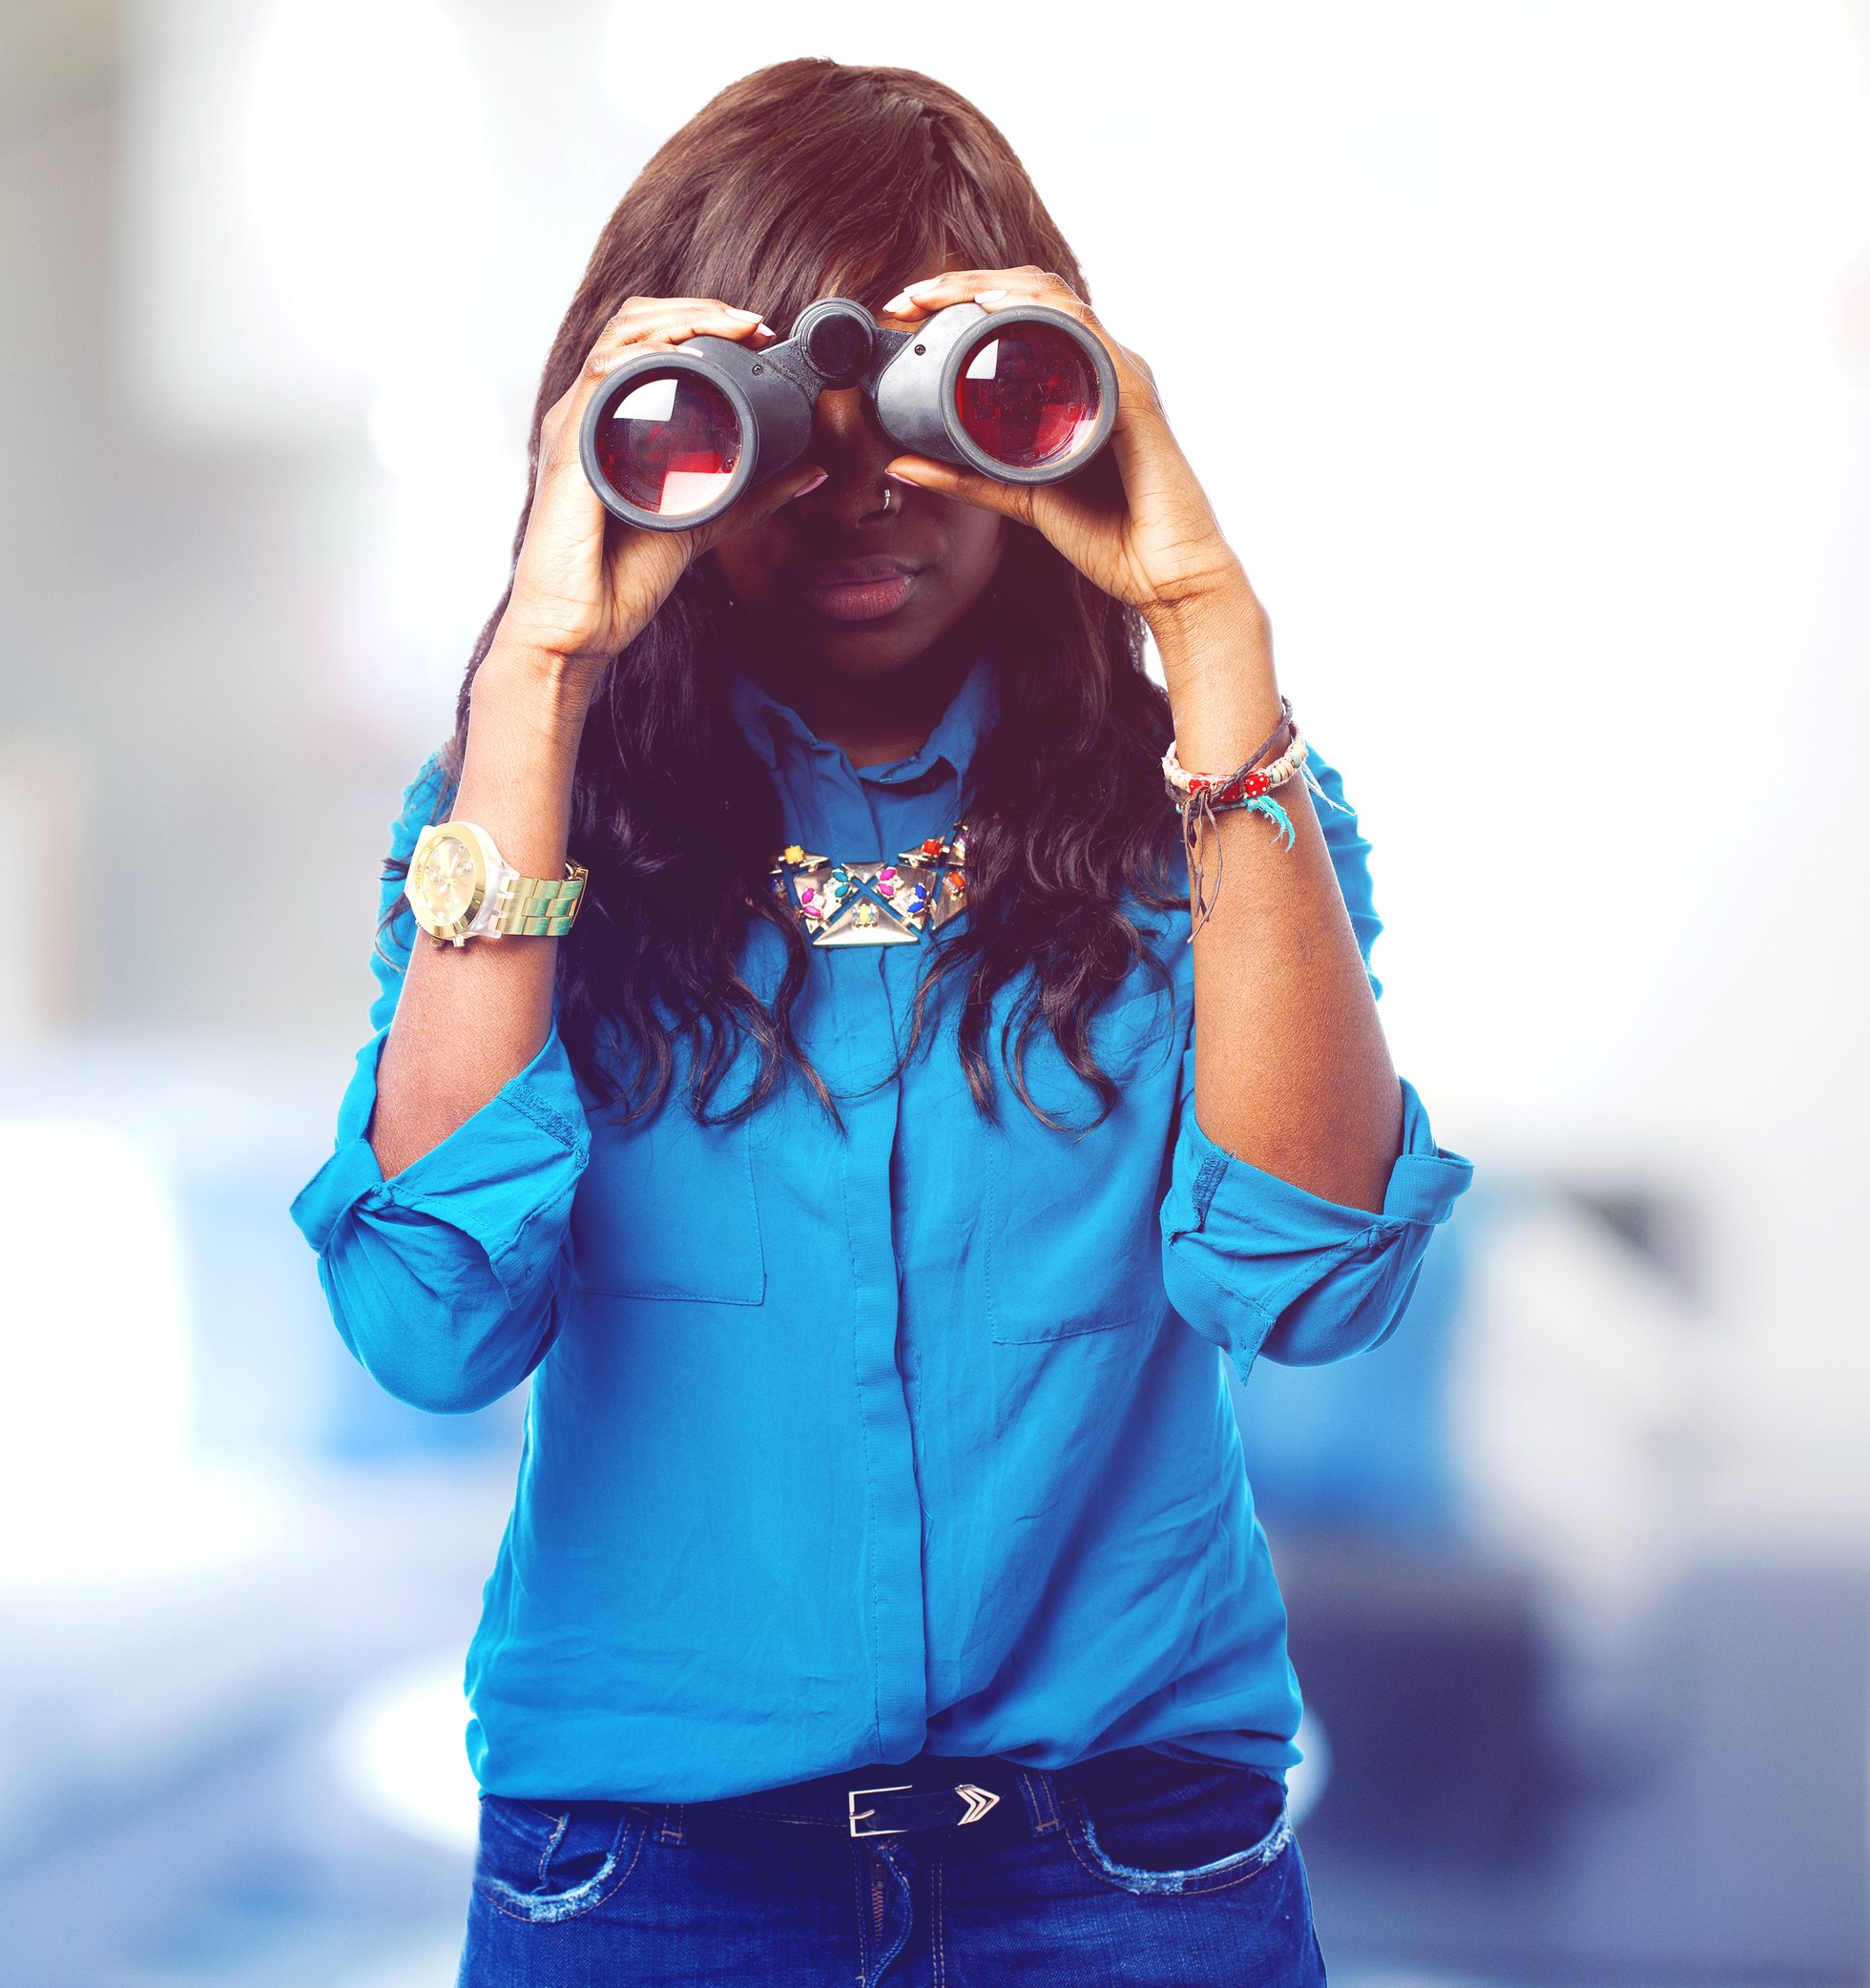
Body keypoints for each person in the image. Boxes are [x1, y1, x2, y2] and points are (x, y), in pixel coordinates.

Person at [293, 56, 1471, 1986]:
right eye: (775, 418)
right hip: (650, 1869)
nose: (853, 483)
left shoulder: (1221, 813)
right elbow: (428, 1324)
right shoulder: (510, 836)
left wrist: (1197, 610)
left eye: (943, 404)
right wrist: (536, 668)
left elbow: (1304, 1279)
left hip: (1129, 1853)